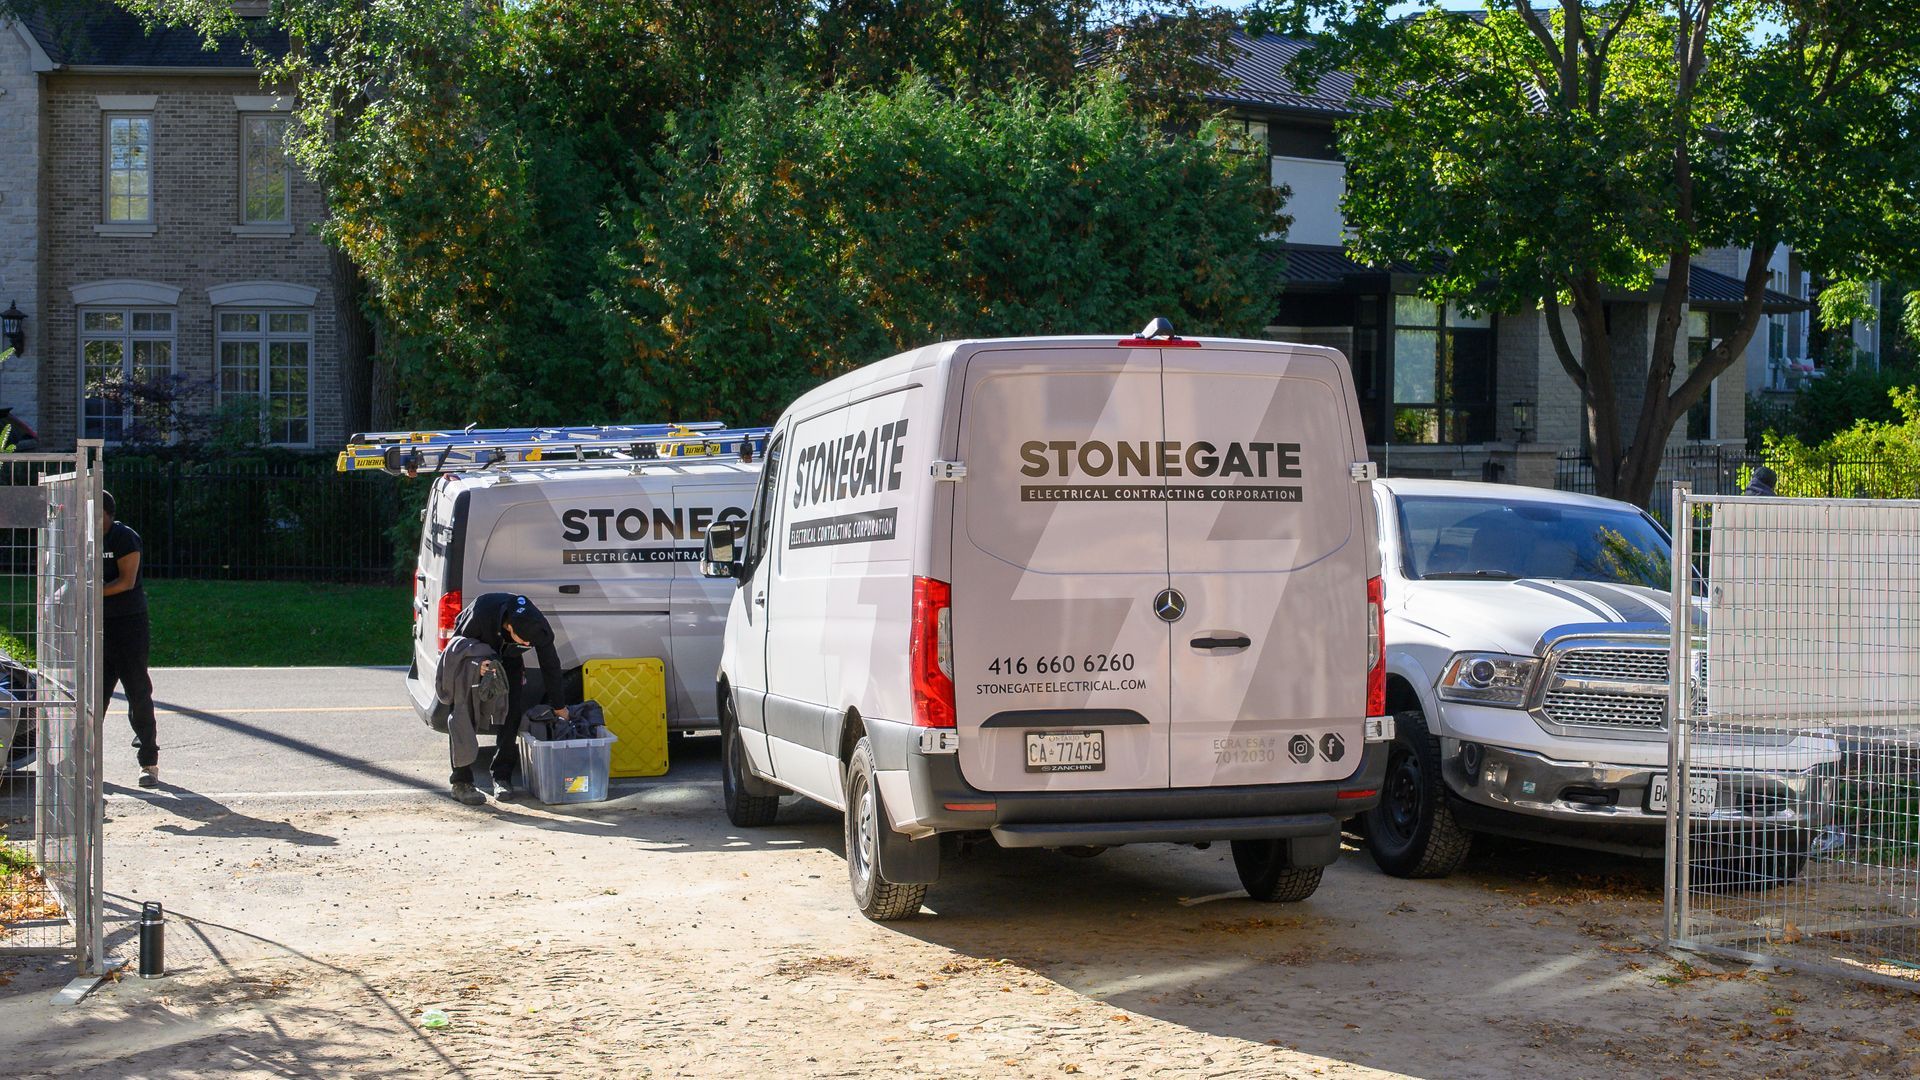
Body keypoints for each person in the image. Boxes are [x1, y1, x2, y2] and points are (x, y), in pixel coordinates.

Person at [447, 593, 568, 803]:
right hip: (475, 657)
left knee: (511, 713)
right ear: (509, 627)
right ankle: (461, 781)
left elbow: (550, 665)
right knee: (462, 712)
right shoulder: (480, 614)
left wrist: (559, 706)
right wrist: (477, 665)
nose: (528, 643)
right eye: (524, 640)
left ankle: (502, 776)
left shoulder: (539, 627)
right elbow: (455, 650)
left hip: (509, 659)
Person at [100, 491, 159, 788]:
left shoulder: (124, 537)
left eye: (95, 514)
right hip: (98, 628)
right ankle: (84, 762)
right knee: (94, 698)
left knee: (137, 693)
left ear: (107, 514)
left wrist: (91, 590)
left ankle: (148, 763)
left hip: (128, 627)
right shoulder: (84, 538)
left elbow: (126, 581)